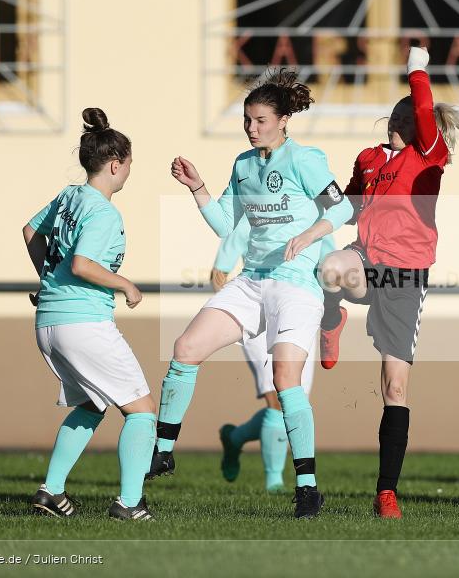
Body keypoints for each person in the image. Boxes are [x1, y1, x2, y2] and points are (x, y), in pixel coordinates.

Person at [147, 69, 353, 518]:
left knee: (284, 383)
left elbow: (344, 206)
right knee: (185, 348)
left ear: (282, 121)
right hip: (252, 279)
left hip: (297, 284)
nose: (251, 127)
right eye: (247, 119)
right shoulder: (243, 165)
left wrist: (310, 235)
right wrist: (198, 188)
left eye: (260, 120)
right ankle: (162, 451)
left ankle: (307, 486)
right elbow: (228, 226)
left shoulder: (305, 159)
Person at [316, 47, 459, 518]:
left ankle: (386, 492)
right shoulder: (368, 159)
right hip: (366, 260)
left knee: (394, 388)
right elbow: (349, 209)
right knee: (331, 267)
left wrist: (417, 69)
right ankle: (331, 316)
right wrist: (312, 185)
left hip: (405, 277)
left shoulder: (428, 156)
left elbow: (424, 108)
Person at [23, 108, 156, 521]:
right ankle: (130, 503)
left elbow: (31, 231)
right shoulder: (102, 211)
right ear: (116, 164)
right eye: (129, 164)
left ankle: (51, 493)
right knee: (141, 410)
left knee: (91, 405)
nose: (130, 171)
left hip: (49, 321)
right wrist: (126, 284)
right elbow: (82, 264)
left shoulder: (69, 196)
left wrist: (48, 279)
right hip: (83, 322)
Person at [211, 219, 333, 493]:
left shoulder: (317, 222)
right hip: (261, 317)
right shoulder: (258, 216)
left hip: (298, 313)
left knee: (291, 400)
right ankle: (274, 482)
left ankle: (235, 437)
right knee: (277, 399)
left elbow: (330, 270)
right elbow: (218, 274)